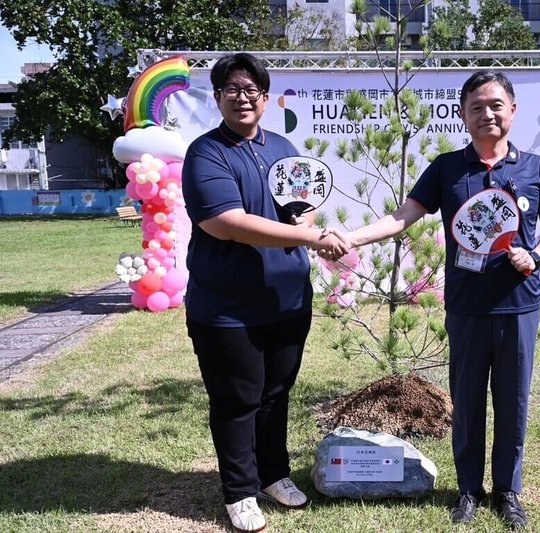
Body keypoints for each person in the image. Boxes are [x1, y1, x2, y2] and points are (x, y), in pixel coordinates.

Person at [331, 70, 540, 529]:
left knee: (514, 403)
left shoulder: (534, 167)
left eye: (496, 104)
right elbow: (402, 216)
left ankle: (508, 491)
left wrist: (535, 256)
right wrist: (352, 237)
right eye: (476, 106)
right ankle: (468, 490)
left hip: (519, 306)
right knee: (468, 402)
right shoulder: (446, 168)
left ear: (512, 110)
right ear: (462, 115)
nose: (487, 114)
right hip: (467, 308)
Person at [182, 53, 347, 533]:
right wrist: (313, 238)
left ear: (266, 97)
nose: (242, 97)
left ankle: (273, 474)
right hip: (227, 308)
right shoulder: (206, 153)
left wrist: (307, 222)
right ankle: (238, 491)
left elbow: (303, 208)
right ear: (217, 98)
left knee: (277, 393)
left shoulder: (282, 147)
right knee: (238, 399)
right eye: (232, 89)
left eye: (251, 89)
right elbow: (227, 223)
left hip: (288, 300)